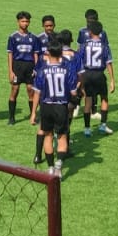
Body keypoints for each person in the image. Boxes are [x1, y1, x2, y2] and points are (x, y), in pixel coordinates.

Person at [31, 30, 81, 178]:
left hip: (46, 106)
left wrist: (34, 112)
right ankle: (59, 165)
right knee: (62, 137)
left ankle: (51, 167)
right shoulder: (66, 71)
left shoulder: (42, 71)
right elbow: (73, 92)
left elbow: (37, 93)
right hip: (61, 106)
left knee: (48, 135)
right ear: (60, 53)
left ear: (48, 52)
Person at [77, 16, 116, 137]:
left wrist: (78, 77)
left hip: (87, 74)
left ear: (90, 32)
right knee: (104, 98)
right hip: (99, 75)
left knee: (88, 100)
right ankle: (103, 125)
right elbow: (108, 63)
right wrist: (112, 80)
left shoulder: (84, 45)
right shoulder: (104, 46)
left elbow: (78, 60)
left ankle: (87, 128)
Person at [5, 11, 41, 124]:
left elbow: (36, 54)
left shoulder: (34, 38)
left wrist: (36, 68)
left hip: (29, 66)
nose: (25, 23)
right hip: (17, 65)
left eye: (27, 21)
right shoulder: (13, 37)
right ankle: (11, 117)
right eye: (23, 21)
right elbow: (10, 54)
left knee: (30, 91)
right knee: (14, 90)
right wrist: (10, 71)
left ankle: (33, 115)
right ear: (18, 22)